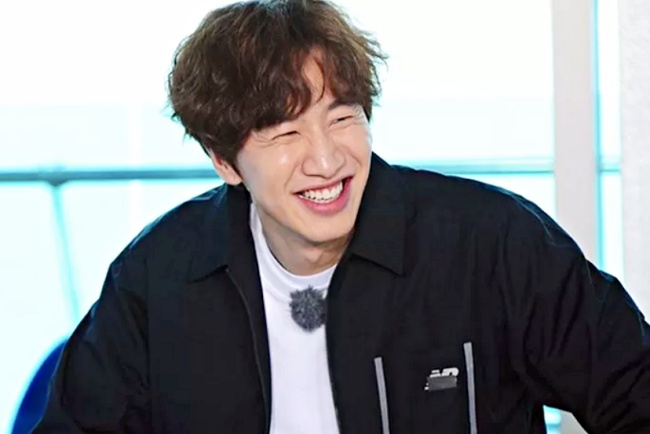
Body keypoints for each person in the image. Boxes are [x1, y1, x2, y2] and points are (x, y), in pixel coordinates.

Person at [34, 0, 650, 433]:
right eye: (285, 133)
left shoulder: (491, 244)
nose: (327, 160)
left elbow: (636, 393)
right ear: (224, 160)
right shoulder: (158, 276)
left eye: (342, 117)